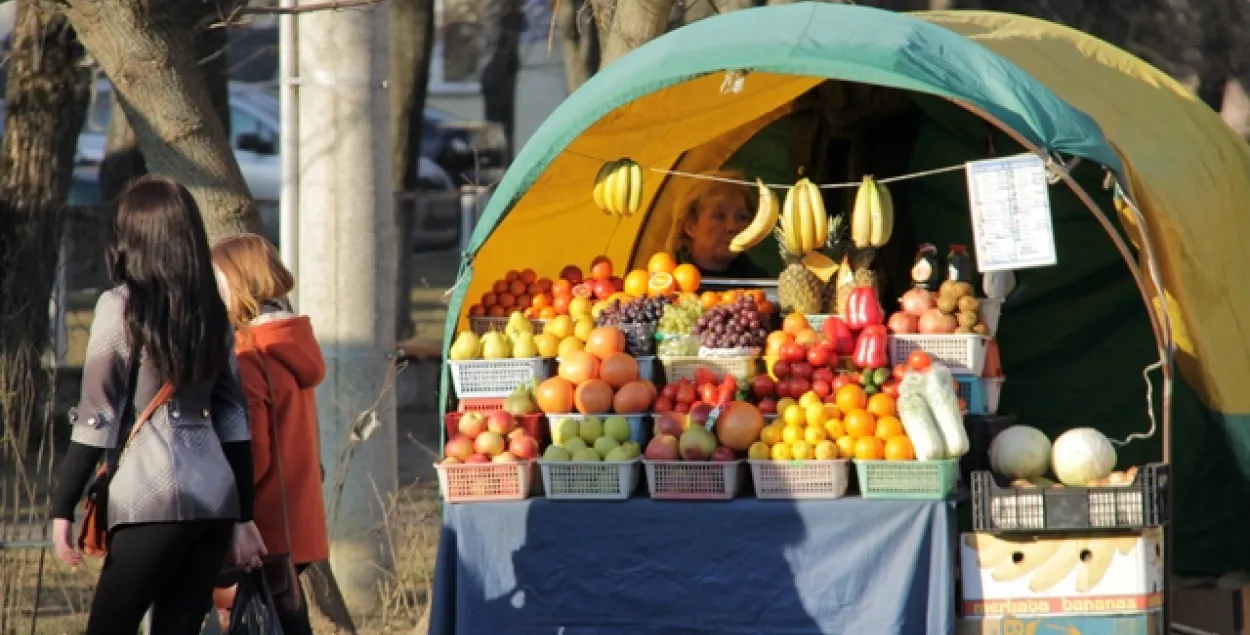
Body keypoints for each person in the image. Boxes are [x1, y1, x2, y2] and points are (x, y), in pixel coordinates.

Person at [51, 176, 266, 634]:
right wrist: (244, 514)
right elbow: (234, 421)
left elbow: (97, 417)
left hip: (149, 497)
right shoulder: (213, 312)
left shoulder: (120, 307)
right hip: (214, 501)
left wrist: (61, 508)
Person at [210, 233, 328, 635]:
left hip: (259, 529)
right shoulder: (294, 343)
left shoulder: (249, 355)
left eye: (217, 280)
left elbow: (253, 454)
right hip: (299, 523)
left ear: (236, 284)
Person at [666, 169, 771, 279]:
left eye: (742, 217)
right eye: (719, 216)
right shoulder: (666, 284)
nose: (732, 227)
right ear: (690, 227)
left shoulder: (760, 283)